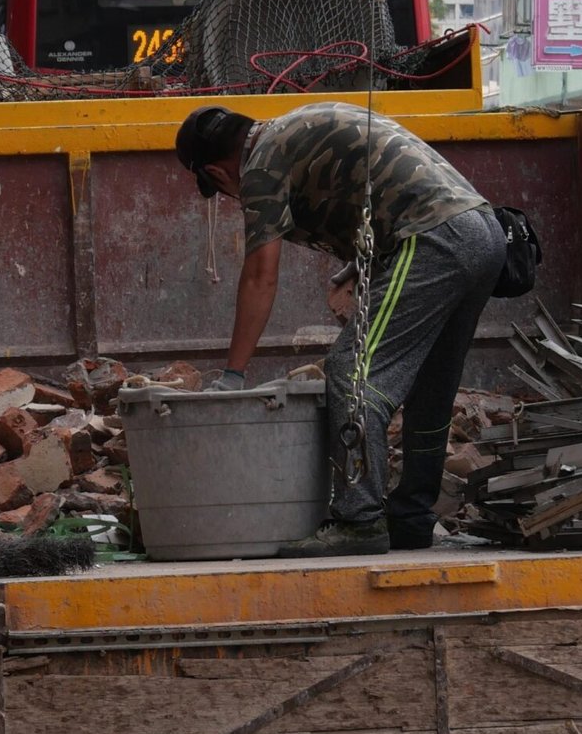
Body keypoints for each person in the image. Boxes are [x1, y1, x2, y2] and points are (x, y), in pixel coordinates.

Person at [175, 102, 507, 555]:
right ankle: (411, 519)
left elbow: (260, 275)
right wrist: (360, 265)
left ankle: (359, 520)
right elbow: (384, 181)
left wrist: (232, 375)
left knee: (352, 372)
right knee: (430, 388)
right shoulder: (295, 126)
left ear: (216, 173)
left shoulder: (259, 162)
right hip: (481, 233)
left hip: (433, 239)